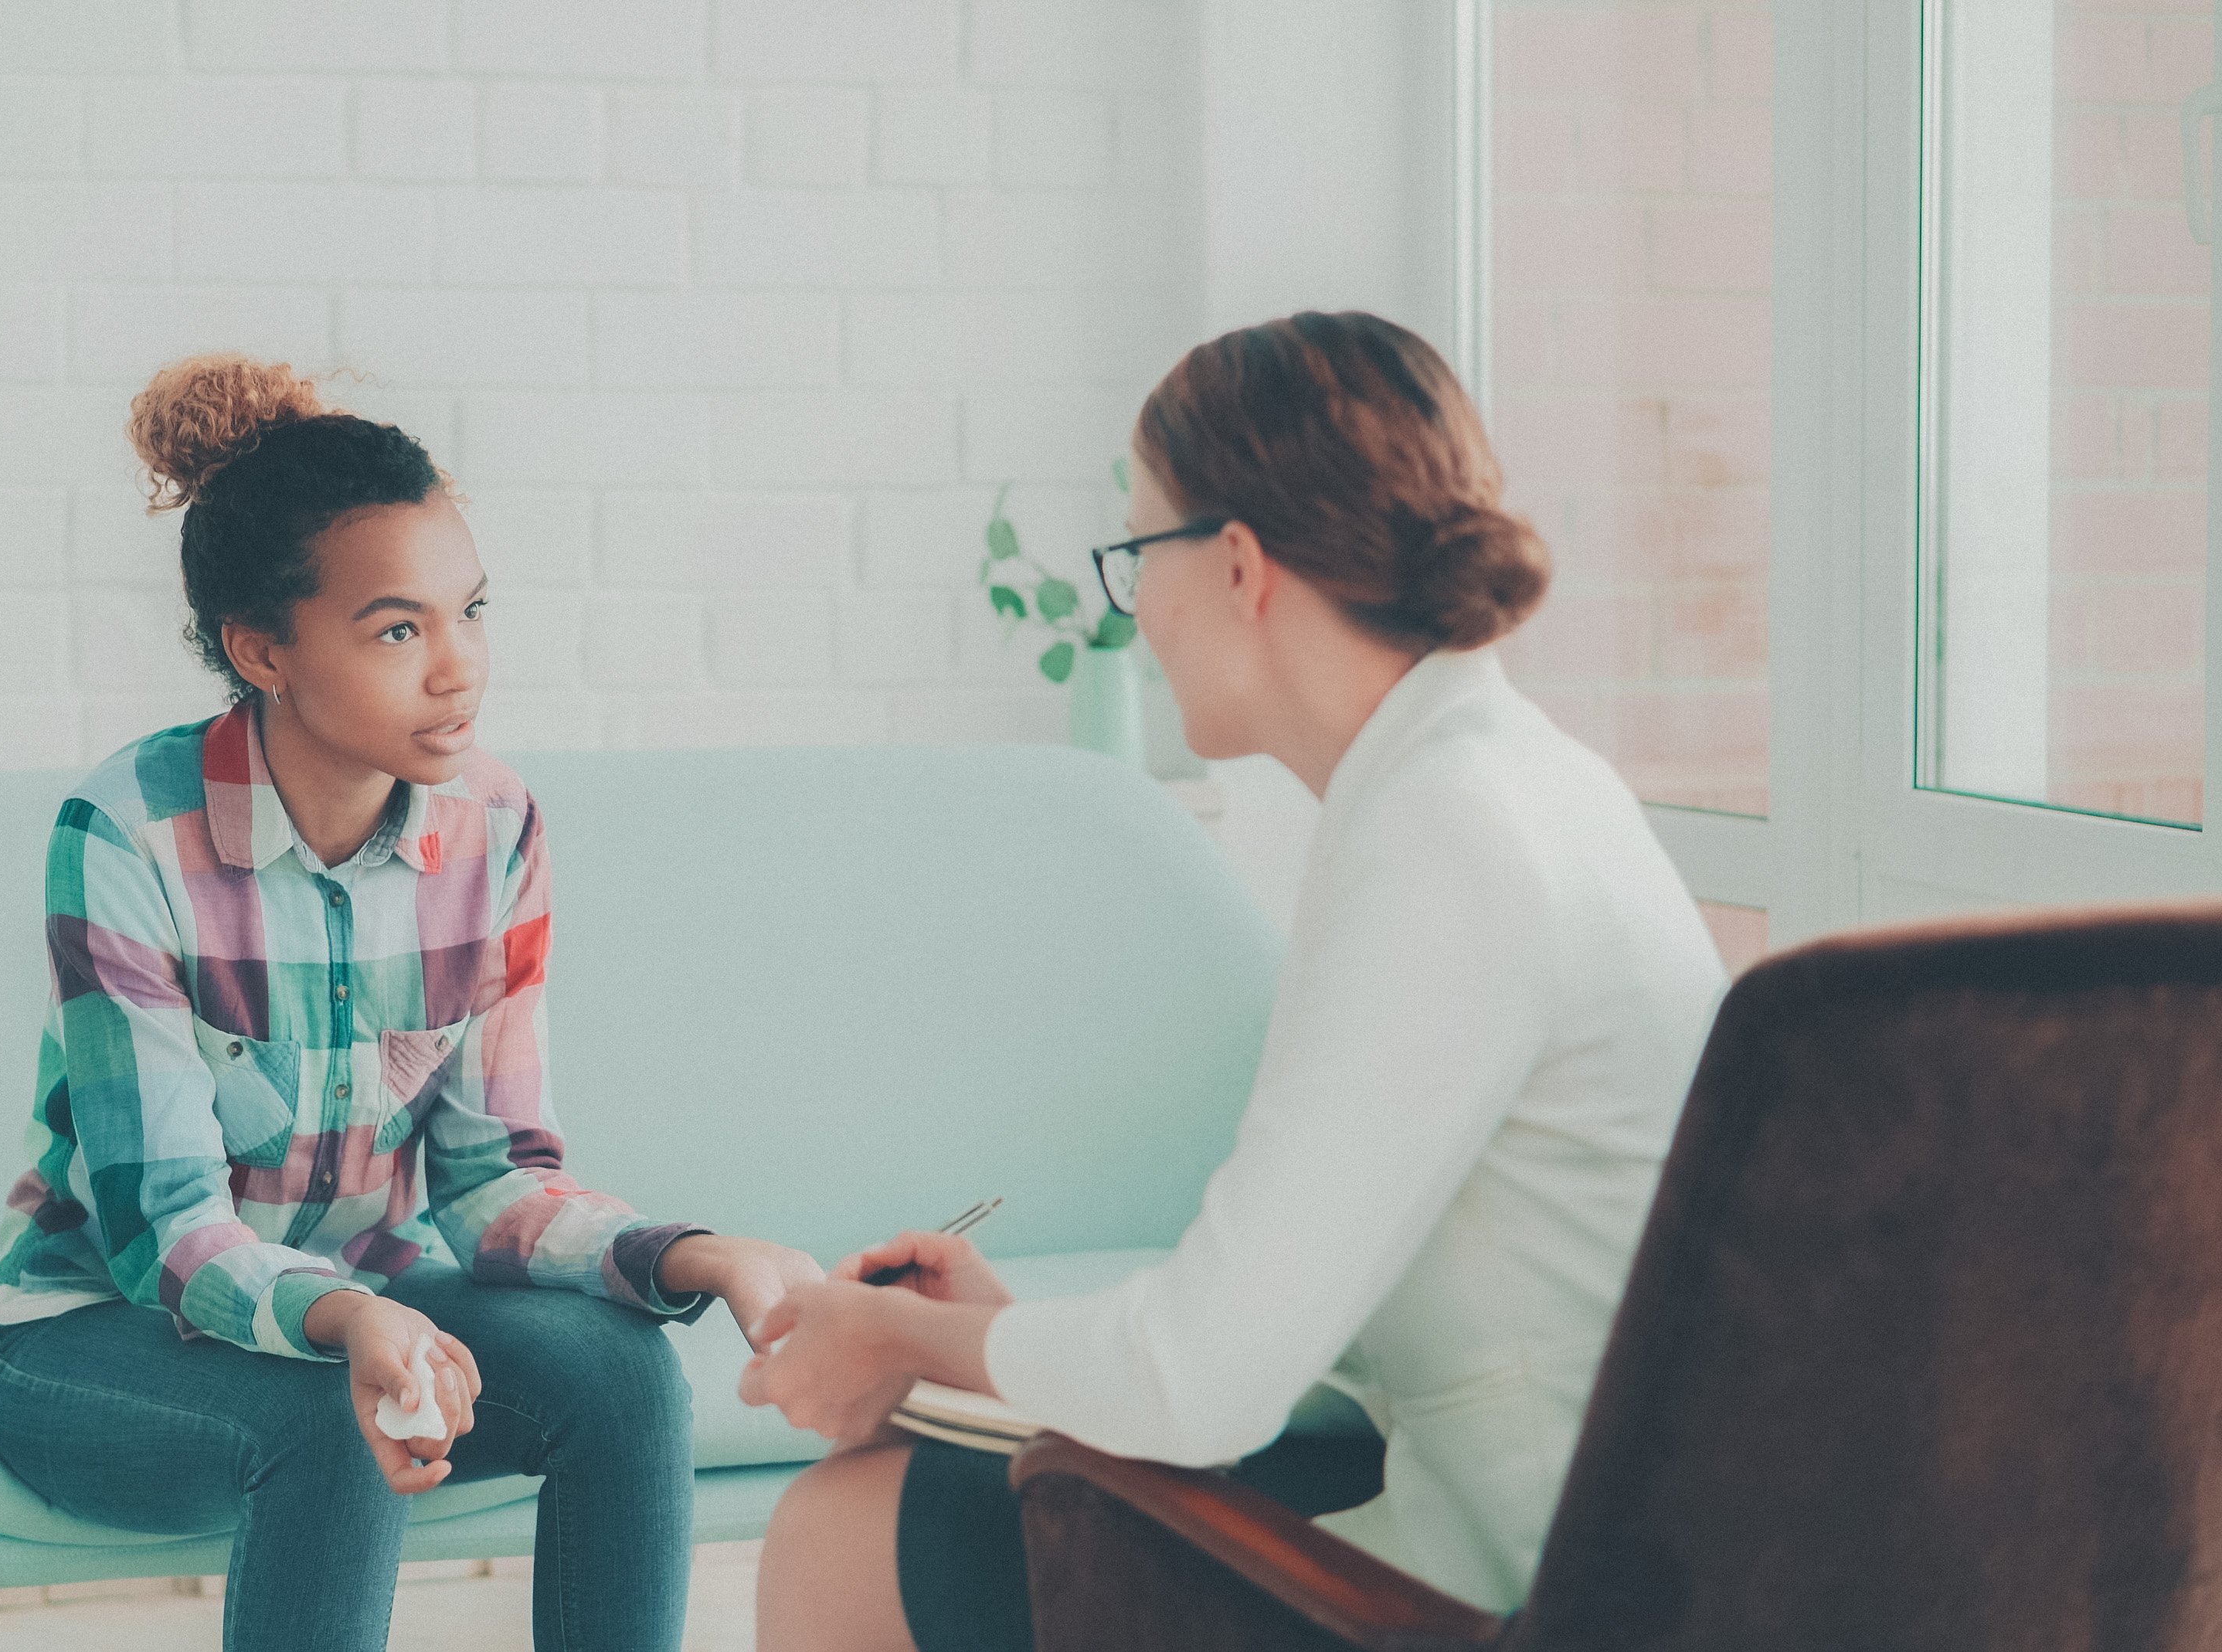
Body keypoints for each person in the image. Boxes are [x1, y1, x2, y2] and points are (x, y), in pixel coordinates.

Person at [740, 311, 1728, 1652]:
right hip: (1596, 1519)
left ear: (1241, 565)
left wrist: (906, 1345)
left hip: (1523, 1586)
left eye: (1138, 551)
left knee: (847, 1531)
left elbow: (1204, 1386)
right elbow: (1314, 1320)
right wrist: (1011, 1338)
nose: (1135, 603)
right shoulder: (1507, 779)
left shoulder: (1441, 837)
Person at [0, 353, 823, 1652]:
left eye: (471, 610)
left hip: (363, 1306)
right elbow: (161, 1234)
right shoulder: (129, 832)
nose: (458, 669)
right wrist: (357, 1319)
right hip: (94, 1342)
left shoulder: (499, 827)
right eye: (398, 629)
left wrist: (696, 1255)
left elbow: (491, 1183)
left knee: (624, 1372)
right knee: (334, 1406)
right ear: (263, 650)